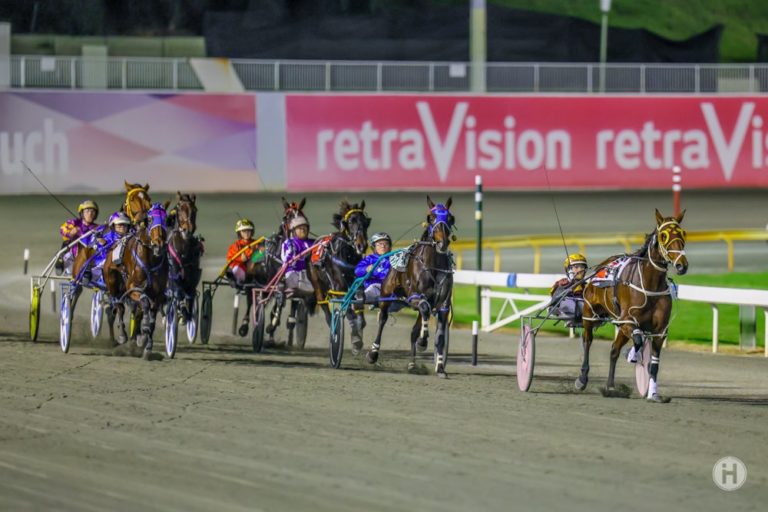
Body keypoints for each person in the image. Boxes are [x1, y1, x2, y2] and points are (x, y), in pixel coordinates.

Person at [354, 232, 403, 311]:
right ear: (374, 247)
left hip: (391, 288)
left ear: (390, 247)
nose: (383, 246)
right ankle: (360, 297)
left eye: (386, 244)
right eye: (380, 244)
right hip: (375, 287)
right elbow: (357, 271)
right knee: (373, 288)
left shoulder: (394, 258)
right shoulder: (370, 259)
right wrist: (366, 269)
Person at [83, 212, 131, 286]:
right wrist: (103, 243)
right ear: (113, 225)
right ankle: (88, 274)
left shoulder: (131, 236)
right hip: (106, 259)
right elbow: (99, 248)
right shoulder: (109, 236)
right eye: (119, 224)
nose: (122, 227)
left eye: (125, 224)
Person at [56, 200, 100, 275]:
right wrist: (70, 233)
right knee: (66, 252)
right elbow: (62, 230)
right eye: (87, 211)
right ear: (82, 213)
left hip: (90, 259)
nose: (90, 214)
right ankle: (60, 264)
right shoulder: (74, 223)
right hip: (72, 257)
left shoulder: (98, 228)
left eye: (93, 211)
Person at [549, 253, 588, 326]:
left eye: (582, 267)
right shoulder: (562, 283)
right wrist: (570, 285)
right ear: (569, 270)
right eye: (576, 267)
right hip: (565, 309)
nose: (580, 269)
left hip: (581, 310)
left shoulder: (586, 285)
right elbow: (554, 299)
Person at [280, 216, 315, 295]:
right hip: (294, 272)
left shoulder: (313, 242)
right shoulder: (289, 243)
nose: (303, 230)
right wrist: (291, 251)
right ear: (294, 231)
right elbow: (285, 260)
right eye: (300, 228)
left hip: (310, 273)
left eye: (305, 227)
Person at [226, 218, 259, 285]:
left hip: (255, 270)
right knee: (235, 269)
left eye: (248, 231)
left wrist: (253, 259)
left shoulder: (257, 243)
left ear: (252, 232)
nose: (246, 233)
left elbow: (262, 254)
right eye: (243, 231)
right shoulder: (235, 245)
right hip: (241, 270)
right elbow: (230, 259)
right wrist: (240, 259)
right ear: (239, 233)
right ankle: (240, 282)